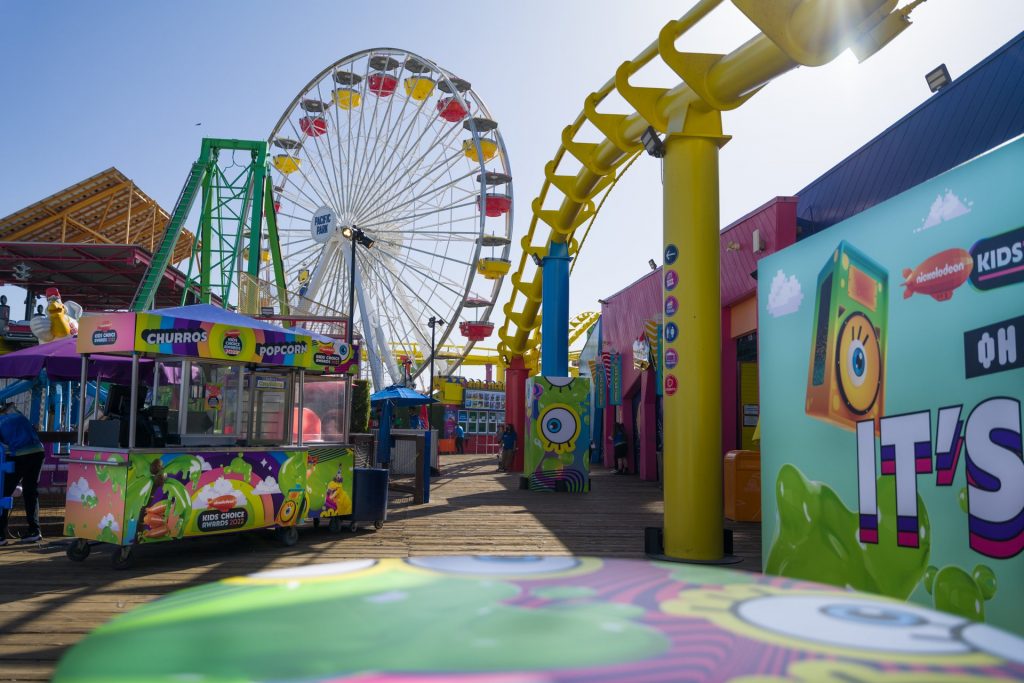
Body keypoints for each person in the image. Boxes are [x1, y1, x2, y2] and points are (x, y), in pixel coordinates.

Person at [0, 403, 45, 545]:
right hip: (38, 451)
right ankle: (34, 530)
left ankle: (0, 534)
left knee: (3, 492)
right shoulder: (16, 413)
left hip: (20, 454)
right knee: (30, 491)